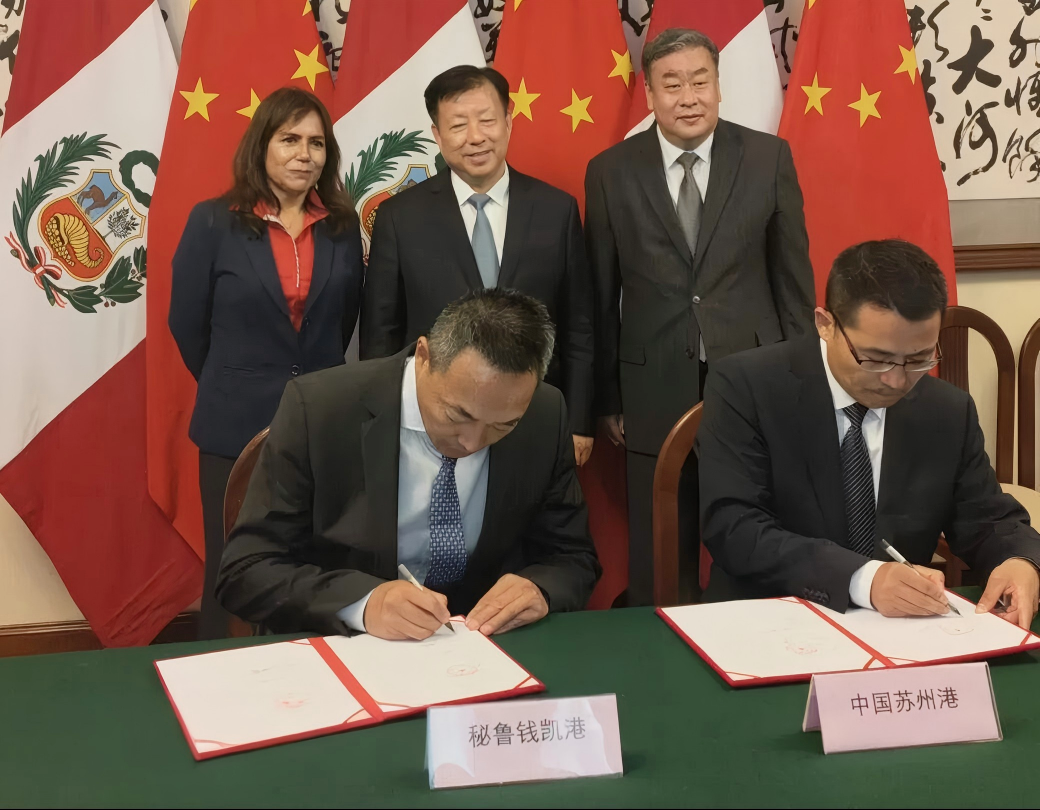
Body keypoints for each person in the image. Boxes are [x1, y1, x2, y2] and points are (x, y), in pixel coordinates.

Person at [216, 288, 601, 639]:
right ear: (424, 357)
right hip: (352, 644)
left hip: (482, 648)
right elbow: (247, 569)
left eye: (504, 425)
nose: (472, 443)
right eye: (457, 415)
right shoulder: (319, 409)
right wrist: (363, 604)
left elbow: (573, 557)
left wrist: (539, 588)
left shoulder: (545, 414)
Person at [584, 27, 816, 605]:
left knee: (759, 528)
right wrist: (608, 395)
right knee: (660, 544)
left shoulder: (767, 158)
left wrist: (803, 379)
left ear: (718, 85)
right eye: (671, 84)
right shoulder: (610, 171)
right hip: (651, 380)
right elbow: (599, 295)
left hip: (755, 376)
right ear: (649, 94)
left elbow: (793, 282)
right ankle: (661, 637)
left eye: (699, 81)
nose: (688, 97)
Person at [698, 239, 1040, 629]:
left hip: (901, 635)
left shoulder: (946, 411)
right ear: (825, 325)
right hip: (767, 621)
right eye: (875, 359)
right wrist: (863, 579)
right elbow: (734, 528)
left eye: (918, 359)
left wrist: (1020, 560)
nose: (896, 381)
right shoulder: (746, 386)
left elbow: (988, 520)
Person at [169, 88, 363, 640]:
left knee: (311, 559)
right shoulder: (214, 221)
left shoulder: (342, 227)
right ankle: (218, 675)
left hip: (319, 422)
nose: (304, 154)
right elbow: (187, 324)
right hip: (233, 422)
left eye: (316, 143)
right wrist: (237, 379)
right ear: (262, 145)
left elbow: (343, 324)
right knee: (231, 562)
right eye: (290, 140)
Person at [360, 65, 596, 467]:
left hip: (536, 417)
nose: (475, 137)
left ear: (508, 122)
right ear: (437, 135)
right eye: (457, 125)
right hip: (436, 424)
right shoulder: (400, 217)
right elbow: (381, 333)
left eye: (487, 120)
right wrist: (382, 419)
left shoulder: (556, 210)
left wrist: (578, 421)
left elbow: (580, 327)